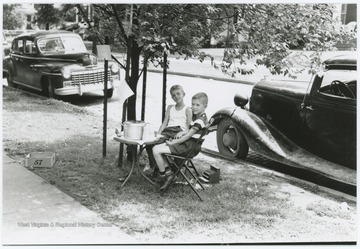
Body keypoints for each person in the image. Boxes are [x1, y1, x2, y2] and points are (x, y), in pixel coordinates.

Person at [152, 92, 209, 190]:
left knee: (156, 151)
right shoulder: (197, 117)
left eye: (197, 105)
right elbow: (187, 130)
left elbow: (188, 136)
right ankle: (168, 174)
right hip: (188, 144)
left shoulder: (200, 121)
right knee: (156, 148)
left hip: (189, 147)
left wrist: (173, 142)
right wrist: (180, 133)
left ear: (205, 106)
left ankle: (165, 175)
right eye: (193, 104)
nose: (194, 107)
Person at [144, 85, 192, 172]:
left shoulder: (187, 109)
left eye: (178, 94)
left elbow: (189, 128)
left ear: (183, 94)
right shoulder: (170, 107)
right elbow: (164, 124)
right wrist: (158, 134)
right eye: (173, 95)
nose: (176, 96)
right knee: (149, 144)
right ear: (172, 97)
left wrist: (182, 133)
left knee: (160, 146)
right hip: (167, 132)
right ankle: (159, 167)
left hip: (178, 132)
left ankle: (166, 169)